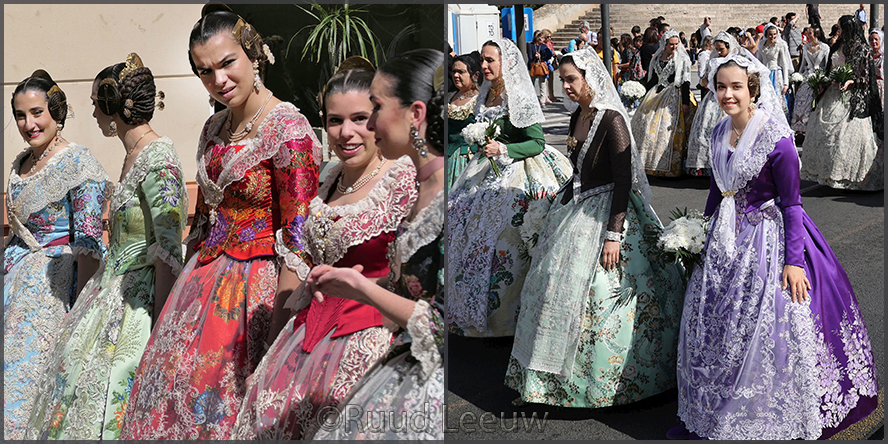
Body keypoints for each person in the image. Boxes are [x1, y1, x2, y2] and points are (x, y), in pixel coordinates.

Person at [120, 7, 322, 439]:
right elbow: (206, 217)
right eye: (204, 71)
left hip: (262, 288)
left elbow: (300, 236)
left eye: (227, 63)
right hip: (202, 280)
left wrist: (280, 329)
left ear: (252, 55)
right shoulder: (214, 127)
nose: (219, 80)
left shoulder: (289, 129)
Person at [674, 52, 880, 441]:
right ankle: (717, 399)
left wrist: (794, 261)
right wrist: (698, 234)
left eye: (736, 87)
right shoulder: (718, 132)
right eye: (721, 87)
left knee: (766, 326)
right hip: (723, 238)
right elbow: (719, 191)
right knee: (718, 324)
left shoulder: (777, 139)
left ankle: (762, 405)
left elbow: (792, 204)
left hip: (767, 239)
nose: (728, 94)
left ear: (752, 88)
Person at [231, 58, 419, 440]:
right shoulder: (324, 182)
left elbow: (419, 281)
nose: (346, 132)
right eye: (335, 120)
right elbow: (297, 268)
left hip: (371, 337)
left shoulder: (402, 180)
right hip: (304, 337)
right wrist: (269, 351)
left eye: (360, 118)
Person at [506, 46, 684, 409]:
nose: (567, 86)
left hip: (612, 215)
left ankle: (610, 385)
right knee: (552, 285)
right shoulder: (578, 116)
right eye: (563, 80)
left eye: (572, 79)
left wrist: (613, 235)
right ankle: (547, 383)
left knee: (602, 295)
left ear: (590, 79)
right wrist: (558, 202)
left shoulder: (611, 119)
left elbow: (623, 180)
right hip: (579, 208)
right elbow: (577, 171)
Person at [24, 54, 187, 440]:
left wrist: (161, 335)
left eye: (98, 103)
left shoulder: (159, 159)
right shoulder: (133, 156)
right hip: (107, 295)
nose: (94, 113)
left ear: (115, 107)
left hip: (139, 303)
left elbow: (168, 253)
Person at [309, 48, 446, 440]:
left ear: (415, 114)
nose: (368, 123)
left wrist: (363, 288)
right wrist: (349, 282)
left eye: (375, 108)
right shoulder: (424, 186)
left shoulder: (443, 197)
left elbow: (440, 323)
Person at [4, 71, 109, 440]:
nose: (28, 124)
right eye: (20, 115)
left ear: (56, 111)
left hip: (55, 288)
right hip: (13, 283)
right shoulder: (20, 164)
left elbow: (90, 243)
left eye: (37, 112)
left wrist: (82, 315)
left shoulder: (78, 163)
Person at [447, 38, 572, 338]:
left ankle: (510, 316)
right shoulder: (486, 93)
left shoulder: (518, 94)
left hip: (520, 169)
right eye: (483, 60)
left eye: (490, 60)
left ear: (507, 63)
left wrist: (504, 150)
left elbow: (537, 142)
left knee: (508, 237)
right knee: (459, 222)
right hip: (483, 167)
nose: (485, 66)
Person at [801, 15, 883, 191]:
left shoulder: (862, 49)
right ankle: (829, 174)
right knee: (824, 132)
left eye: (841, 27)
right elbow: (830, 69)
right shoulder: (837, 46)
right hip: (832, 93)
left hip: (851, 97)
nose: (838, 31)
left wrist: (850, 81)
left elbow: (865, 77)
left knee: (846, 135)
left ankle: (853, 178)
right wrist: (823, 83)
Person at [631, 29, 697, 177]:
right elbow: (653, 79)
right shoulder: (657, 58)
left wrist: (685, 103)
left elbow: (685, 82)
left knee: (668, 131)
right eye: (671, 44)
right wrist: (642, 93)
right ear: (664, 44)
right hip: (657, 93)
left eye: (676, 44)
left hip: (675, 94)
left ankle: (671, 166)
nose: (674, 47)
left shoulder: (682, 59)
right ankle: (647, 164)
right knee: (646, 127)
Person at [687, 32, 752, 176]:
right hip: (713, 97)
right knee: (706, 130)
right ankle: (707, 166)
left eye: (721, 49)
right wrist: (707, 83)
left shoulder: (737, 61)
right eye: (716, 49)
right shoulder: (714, 60)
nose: (718, 52)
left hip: (730, 98)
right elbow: (704, 78)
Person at [447, 52, 482, 187]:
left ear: (475, 75)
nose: (455, 75)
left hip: (464, 159)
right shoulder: (450, 96)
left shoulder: (479, 100)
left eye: (461, 72)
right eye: (454, 72)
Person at [790, 26, 830, 133]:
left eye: (811, 33)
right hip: (807, 76)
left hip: (818, 76)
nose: (808, 35)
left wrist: (823, 79)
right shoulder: (805, 47)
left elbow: (826, 65)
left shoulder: (825, 48)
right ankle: (799, 129)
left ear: (816, 34)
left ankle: (810, 128)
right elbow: (803, 64)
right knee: (800, 97)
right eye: (808, 33)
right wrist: (799, 76)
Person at [758, 23, 794, 121]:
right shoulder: (761, 44)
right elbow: (759, 61)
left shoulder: (780, 45)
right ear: (766, 34)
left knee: (777, 100)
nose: (773, 36)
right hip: (765, 74)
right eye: (770, 34)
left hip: (776, 74)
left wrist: (786, 83)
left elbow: (785, 64)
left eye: (774, 34)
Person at [527, 30, 553, 107]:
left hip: (542, 67)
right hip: (533, 66)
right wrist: (535, 57)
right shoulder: (530, 45)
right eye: (542, 38)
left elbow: (549, 55)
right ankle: (531, 99)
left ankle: (542, 101)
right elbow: (529, 56)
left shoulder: (544, 46)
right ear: (537, 38)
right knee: (531, 84)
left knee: (542, 84)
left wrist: (541, 56)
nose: (543, 39)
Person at [870, 28, 884, 104]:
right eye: (871, 39)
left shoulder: (884, 56)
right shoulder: (868, 56)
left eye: (876, 39)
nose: (874, 42)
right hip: (871, 88)